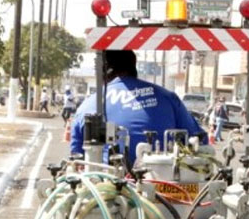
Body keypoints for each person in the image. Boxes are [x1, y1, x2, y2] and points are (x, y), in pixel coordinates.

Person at [70, 50, 206, 167]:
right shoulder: (168, 98)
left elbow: (77, 160)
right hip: (164, 185)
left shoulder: (87, 106)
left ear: (105, 70)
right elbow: (199, 140)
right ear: (133, 66)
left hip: (106, 188)